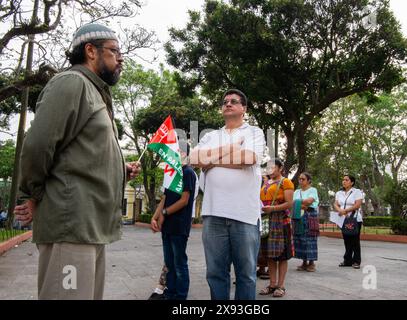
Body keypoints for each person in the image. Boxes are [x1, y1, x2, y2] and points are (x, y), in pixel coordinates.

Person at [13, 23, 141, 300]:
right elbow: (38, 145)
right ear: (91, 51)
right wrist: (31, 194)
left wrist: (120, 169)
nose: (120, 59)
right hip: (70, 224)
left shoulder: (95, 91)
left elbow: (82, 155)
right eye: (114, 51)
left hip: (90, 227)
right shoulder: (72, 83)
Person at [190, 89, 265, 300]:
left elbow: (249, 158)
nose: (228, 104)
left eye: (233, 101)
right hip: (213, 213)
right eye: (225, 102)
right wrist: (230, 147)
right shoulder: (211, 136)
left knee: (246, 275)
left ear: (244, 109)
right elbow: (194, 158)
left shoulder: (254, 132)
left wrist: (211, 161)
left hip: (245, 216)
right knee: (215, 273)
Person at [150, 145, 197, 300]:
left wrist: (164, 213)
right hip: (167, 226)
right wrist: (154, 217)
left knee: (179, 263)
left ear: (183, 153)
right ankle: (169, 293)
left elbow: (184, 200)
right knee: (169, 263)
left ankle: (180, 295)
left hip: (179, 225)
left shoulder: (188, 172)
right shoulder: (171, 172)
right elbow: (164, 198)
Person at [258, 160, 294, 298]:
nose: (270, 170)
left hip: (281, 221)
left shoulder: (286, 182)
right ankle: (272, 284)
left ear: (280, 168)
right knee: (270, 255)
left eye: (273, 167)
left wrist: (272, 208)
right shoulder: (266, 183)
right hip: (267, 221)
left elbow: (289, 203)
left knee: (282, 255)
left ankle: (281, 286)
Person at [334, 175, 363, 269]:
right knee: (346, 240)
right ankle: (347, 260)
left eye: (346, 180)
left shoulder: (356, 192)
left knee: (355, 240)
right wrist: (340, 210)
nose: (344, 181)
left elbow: (357, 205)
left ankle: (356, 261)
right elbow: (336, 204)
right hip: (343, 219)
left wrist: (345, 211)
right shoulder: (339, 193)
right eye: (343, 180)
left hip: (354, 219)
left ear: (352, 182)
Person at [292, 172, 320, 272]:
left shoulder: (313, 190)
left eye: (303, 179)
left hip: (310, 216)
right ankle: (304, 262)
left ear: (309, 181)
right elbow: (292, 203)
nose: (300, 180)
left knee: (310, 238)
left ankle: (311, 263)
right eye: (299, 179)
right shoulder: (296, 191)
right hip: (298, 216)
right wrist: (302, 204)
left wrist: (298, 203)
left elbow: (309, 202)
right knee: (300, 238)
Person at [256, 174, 270, 280]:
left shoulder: (271, 189)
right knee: (260, 246)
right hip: (261, 216)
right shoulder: (259, 190)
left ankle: (270, 268)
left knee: (267, 245)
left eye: (264, 178)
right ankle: (261, 268)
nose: (262, 179)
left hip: (267, 217)